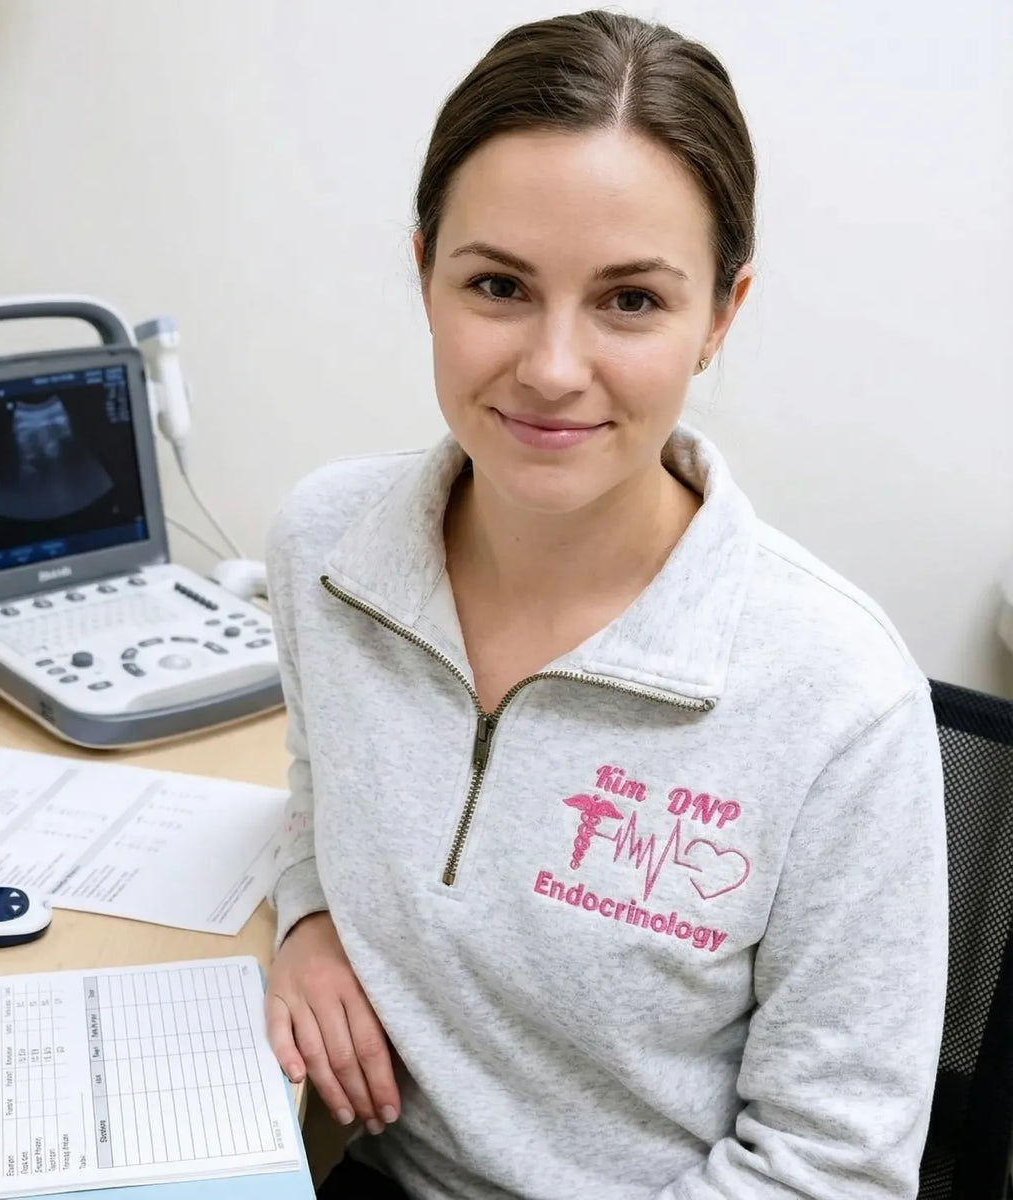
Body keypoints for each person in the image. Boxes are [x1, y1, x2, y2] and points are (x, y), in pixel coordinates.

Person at [263, 10, 948, 1199]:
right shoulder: (325, 551)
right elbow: (316, 799)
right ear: (423, 269)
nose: (552, 366)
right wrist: (306, 912)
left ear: (719, 317)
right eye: (498, 286)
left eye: (630, 301)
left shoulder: (838, 698)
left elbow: (830, 1168)